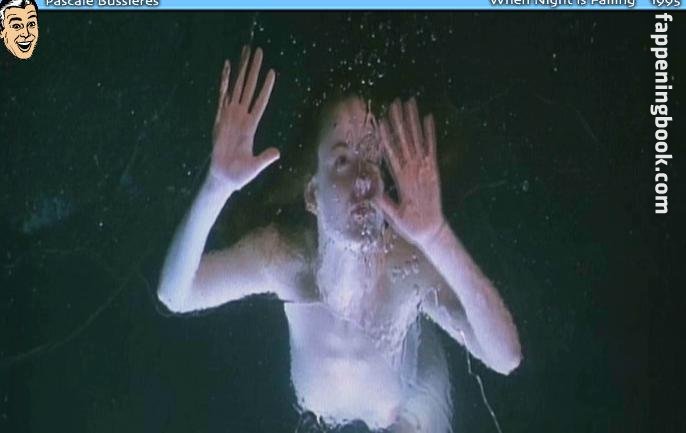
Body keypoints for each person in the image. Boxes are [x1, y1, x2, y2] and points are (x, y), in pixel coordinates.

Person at [157, 46, 522, 433]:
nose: (363, 179)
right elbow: (177, 295)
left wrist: (436, 236)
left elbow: (505, 357)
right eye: (343, 160)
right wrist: (216, 185)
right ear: (313, 194)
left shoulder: (408, 267)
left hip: (413, 396)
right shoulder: (281, 258)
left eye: (371, 158)